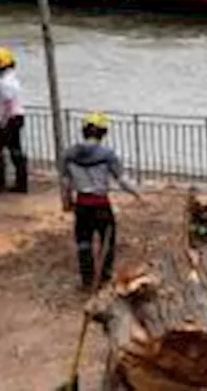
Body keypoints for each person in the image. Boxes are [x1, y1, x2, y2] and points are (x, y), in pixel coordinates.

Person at [59, 112, 143, 291]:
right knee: (107, 242)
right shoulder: (107, 154)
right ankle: (104, 278)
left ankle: (87, 280)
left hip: (81, 205)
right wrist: (138, 194)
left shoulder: (68, 154)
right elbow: (121, 180)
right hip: (101, 204)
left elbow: (65, 182)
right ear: (103, 133)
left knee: (83, 243)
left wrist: (66, 202)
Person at [0, 46, 28, 195]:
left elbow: (8, 104)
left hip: (8, 119)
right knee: (15, 150)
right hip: (17, 117)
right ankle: (21, 183)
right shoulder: (13, 79)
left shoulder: (5, 83)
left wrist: (2, 122)